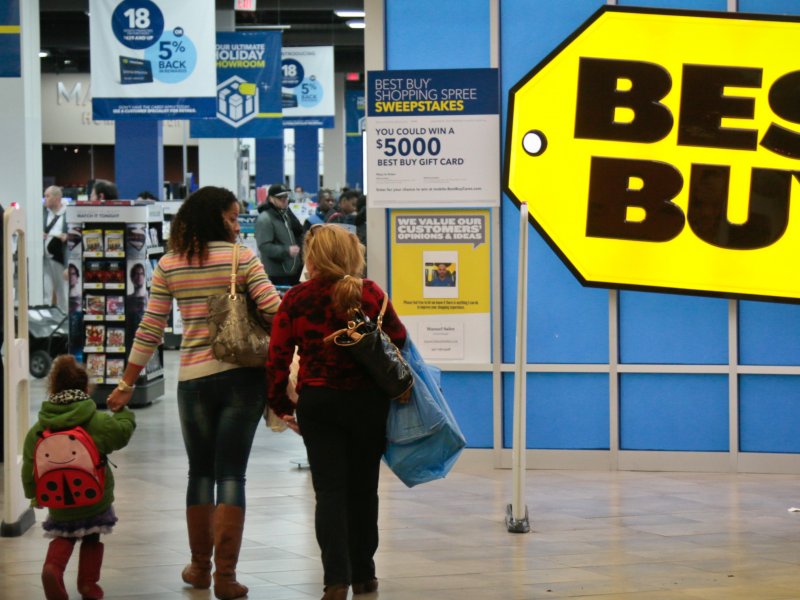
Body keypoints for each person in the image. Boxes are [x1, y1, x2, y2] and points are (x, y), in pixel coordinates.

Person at [106, 186, 281, 600]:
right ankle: (226, 576)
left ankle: (200, 568)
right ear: (217, 218)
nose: (238, 225)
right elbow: (275, 310)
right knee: (232, 474)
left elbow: (150, 328)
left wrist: (126, 383)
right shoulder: (243, 258)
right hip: (243, 377)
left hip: (194, 381)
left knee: (200, 472)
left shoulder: (170, 263)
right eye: (234, 218)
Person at [267, 224, 407, 600]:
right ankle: (365, 574)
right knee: (364, 490)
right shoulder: (372, 293)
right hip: (367, 404)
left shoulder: (296, 298)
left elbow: (278, 359)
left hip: (319, 403)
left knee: (329, 492)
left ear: (312, 258)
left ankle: (335, 580)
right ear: (351, 254)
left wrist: (283, 406)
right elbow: (399, 339)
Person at [22, 355, 136, 600]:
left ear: (53, 388)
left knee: (64, 535)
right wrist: (125, 413)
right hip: (94, 498)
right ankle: (88, 585)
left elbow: (29, 466)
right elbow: (121, 433)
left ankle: (52, 568)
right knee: (92, 536)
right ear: (86, 388)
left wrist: (33, 495)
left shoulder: (39, 429)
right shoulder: (96, 422)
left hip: (59, 501)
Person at [255, 183, 304, 286]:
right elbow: (264, 246)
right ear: (271, 199)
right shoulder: (265, 219)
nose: (285, 199)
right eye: (281, 197)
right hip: (276, 275)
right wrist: (287, 250)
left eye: (286, 196)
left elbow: (298, 231)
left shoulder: (284, 215)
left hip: (291, 272)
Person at [43, 185, 68, 311]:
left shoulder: (67, 214)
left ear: (57, 198)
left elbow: (75, 234)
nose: (45, 199)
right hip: (44, 258)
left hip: (59, 258)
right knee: (45, 291)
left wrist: (67, 236)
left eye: (47, 196)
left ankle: (65, 321)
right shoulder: (43, 213)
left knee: (62, 291)